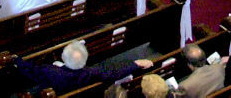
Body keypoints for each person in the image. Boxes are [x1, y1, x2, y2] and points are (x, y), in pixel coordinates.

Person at [9, 39, 153, 92]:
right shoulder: (91, 72)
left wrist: (16, 60)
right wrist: (136, 63)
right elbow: (114, 72)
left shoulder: (50, 71)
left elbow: (30, 70)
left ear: (63, 58)